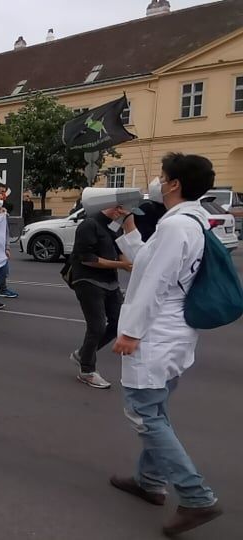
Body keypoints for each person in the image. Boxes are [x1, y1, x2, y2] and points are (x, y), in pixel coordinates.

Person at [111, 153, 223, 536]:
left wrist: (131, 333)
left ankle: (196, 497)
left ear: (174, 184)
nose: (158, 182)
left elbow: (154, 283)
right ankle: (150, 481)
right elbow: (146, 261)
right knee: (155, 409)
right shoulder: (187, 221)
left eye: (162, 177)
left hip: (157, 334)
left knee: (144, 414)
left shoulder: (177, 227)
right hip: (172, 335)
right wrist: (127, 224)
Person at [67, 196, 132, 389]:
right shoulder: (89, 224)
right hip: (88, 281)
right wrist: (122, 265)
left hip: (110, 282)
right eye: (122, 210)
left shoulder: (113, 226)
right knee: (97, 326)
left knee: (118, 323)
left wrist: (130, 264)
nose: (124, 214)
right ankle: (87, 370)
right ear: (114, 208)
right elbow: (87, 259)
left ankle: (83, 354)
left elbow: (119, 248)